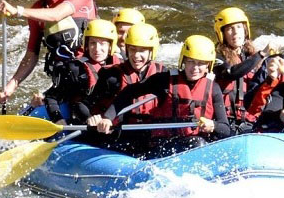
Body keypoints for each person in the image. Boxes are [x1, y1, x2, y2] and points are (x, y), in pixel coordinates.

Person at [89, 35, 230, 158]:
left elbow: (225, 129)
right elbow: (128, 93)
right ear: (183, 61)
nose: (195, 68)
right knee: (197, 144)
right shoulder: (164, 80)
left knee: (198, 143)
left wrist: (213, 125)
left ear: (208, 66)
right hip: (163, 146)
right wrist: (107, 118)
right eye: (191, 61)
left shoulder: (214, 88)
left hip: (197, 147)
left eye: (201, 64)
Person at [0, 0, 96, 106]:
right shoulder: (37, 10)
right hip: (65, 78)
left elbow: (57, 14)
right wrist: (11, 85)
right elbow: (31, 55)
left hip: (94, 73)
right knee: (32, 112)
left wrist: (19, 11)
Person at [86, 23, 166, 119]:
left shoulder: (162, 73)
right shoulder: (111, 75)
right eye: (133, 49)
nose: (136, 55)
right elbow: (88, 104)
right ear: (127, 50)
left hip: (152, 129)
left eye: (142, 50)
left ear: (151, 52)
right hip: (119, 130)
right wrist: (91, 118)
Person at [212, 7, 270, 133]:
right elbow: (232, 73)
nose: (235, 32)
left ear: (245, 29)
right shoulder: (216, 57)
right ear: (222, 33)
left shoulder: (251, 56)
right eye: (229, 29)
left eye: (238, 27)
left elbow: (259, 88)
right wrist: (262, 54)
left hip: (249, 119)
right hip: (226, 121)